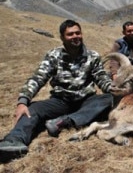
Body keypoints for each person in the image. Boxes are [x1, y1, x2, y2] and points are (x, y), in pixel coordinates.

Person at [0, 19, 113, 160]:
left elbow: (101, 78)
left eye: (78, 33)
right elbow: (38, 78)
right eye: (70, 34)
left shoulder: (93, 56)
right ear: (62, 37)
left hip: (86, 101)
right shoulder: (54, 55)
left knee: (109, 99)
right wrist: (23, 101)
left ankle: (65, 122)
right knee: (33, 109)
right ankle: (14, 141)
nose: (75, 36)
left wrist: (113, 88)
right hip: (60, 102)